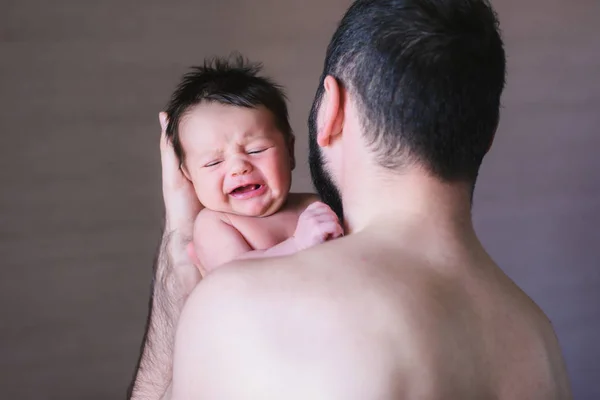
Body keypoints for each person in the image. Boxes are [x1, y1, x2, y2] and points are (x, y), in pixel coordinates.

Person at [129, 0, 573, 399]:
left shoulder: (244, 301)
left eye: (256, 148)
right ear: (487, 134)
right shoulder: (537, 337)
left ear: (330, 111)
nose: (239, 166)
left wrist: (178, 256)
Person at [163, 57, 342, 274]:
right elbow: (235, 274)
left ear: (289, 151)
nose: (239, 167)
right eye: (214, 162)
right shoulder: (216, 223)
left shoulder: (314, 204)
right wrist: (297, 245)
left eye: (256, 150)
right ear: (189, 176)